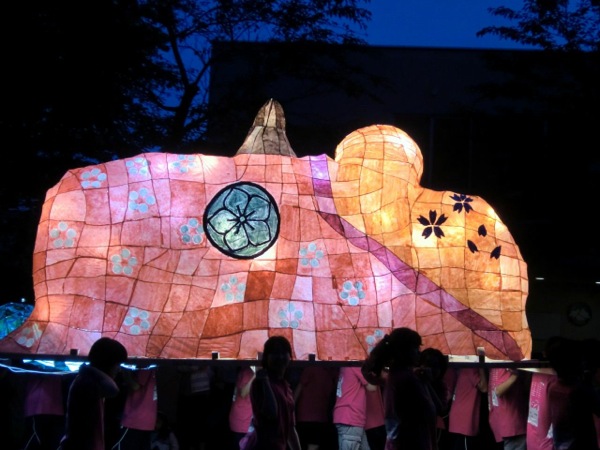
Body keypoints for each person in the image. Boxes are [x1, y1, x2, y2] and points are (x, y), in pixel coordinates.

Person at [361, 327, 438, 450]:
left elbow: (367, 371)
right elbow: (431, 411)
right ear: (404, 351)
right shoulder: (404, 378)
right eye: (415, 348)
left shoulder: (398, 377)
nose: (419, 353)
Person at [58, 336, 129, 450]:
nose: (119, 369)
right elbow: (112, 389)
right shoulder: (89, 382)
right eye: (117, 364)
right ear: (107, 363)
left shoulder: (87, 379)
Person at [242, 335, 301, 450]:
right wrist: (265, 381)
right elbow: (271, 413)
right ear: (266, 357)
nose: (280, 357)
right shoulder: (260, 383)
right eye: (275, 353)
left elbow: (290, 428)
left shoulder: (286, 387)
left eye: (284, 352)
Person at [294, 365, 339, 450]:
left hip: (320, 417)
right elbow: (299, 388)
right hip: (307, 416)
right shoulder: (313, 367)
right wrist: (290, 408)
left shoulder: (334, 372)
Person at [333, 365, 376, 450]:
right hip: (351, 417)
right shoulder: (356, 366)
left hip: (346, 417)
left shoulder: (345, 366)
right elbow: (372, 387)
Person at [447, 366, 489, 450]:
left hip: (459, 418)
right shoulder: (471, 369)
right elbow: (484, 387)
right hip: (464, 420)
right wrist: (481, 366)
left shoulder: (464, 368)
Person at [487, 367, 530, 450]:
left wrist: (516, 376)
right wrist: (515, 376)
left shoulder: (501, 365)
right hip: (506, 423)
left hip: (510, 424)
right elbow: (498, 391)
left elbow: (497, 391)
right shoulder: (499, 366)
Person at [229, 366, 256, 450]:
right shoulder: (248, 373)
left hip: (239, 419)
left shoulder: (244, 371)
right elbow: (243, 393)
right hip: (243, 421)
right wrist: (255, 375)